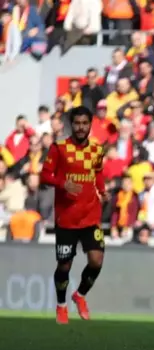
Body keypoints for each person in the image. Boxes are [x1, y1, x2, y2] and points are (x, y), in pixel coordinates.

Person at [40, 106, 107, 325]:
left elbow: (97, 173)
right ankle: (61, 305)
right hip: (66, 218)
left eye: (85, 123)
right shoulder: (59, 148)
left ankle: (79, 295)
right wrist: (62, 183)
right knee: (64, 266)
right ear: (72, 124)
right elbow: (45, 175)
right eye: (77, 123)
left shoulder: (97, 149)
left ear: (90, 124)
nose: (81, 127)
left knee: (96, 261)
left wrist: (103, 190)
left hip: (90, 215)